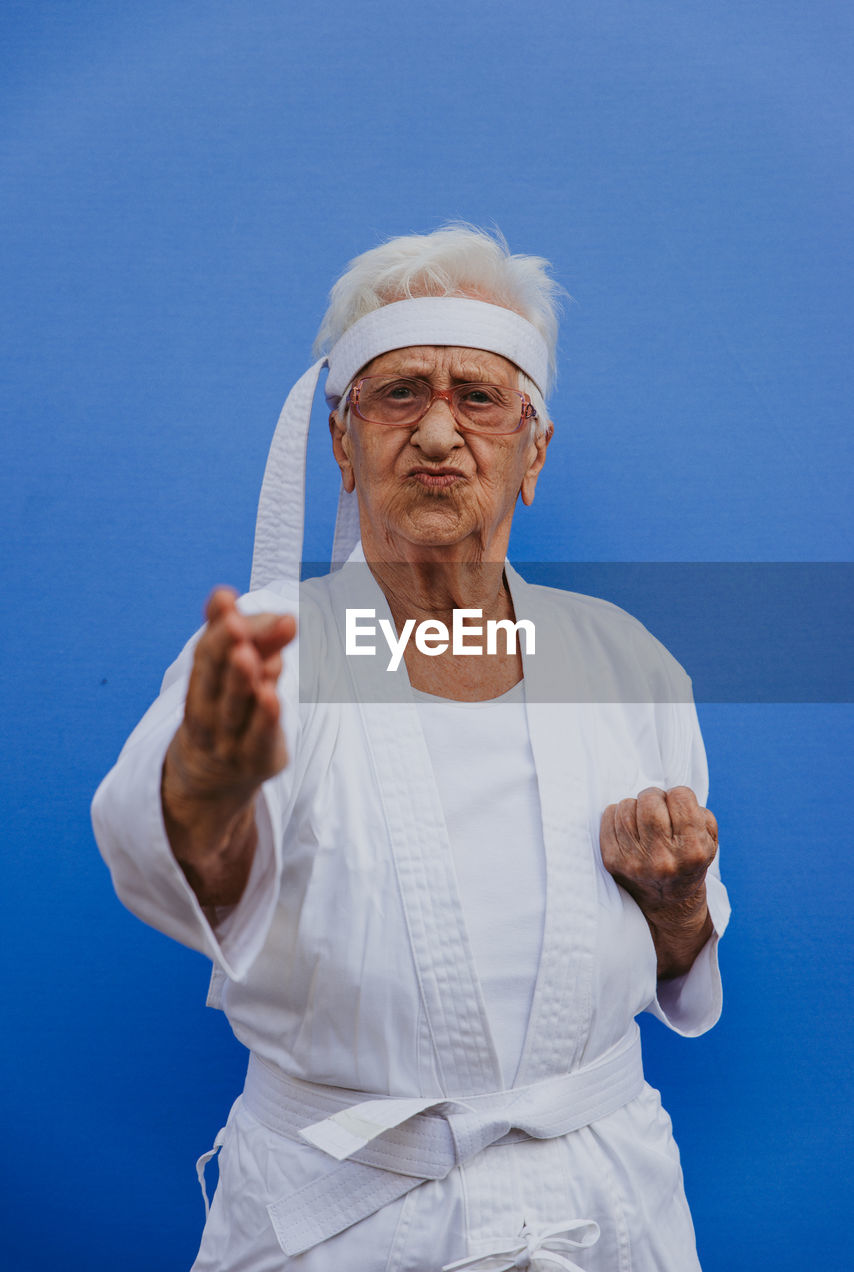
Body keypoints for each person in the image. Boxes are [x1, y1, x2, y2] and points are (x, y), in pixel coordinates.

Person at [92, 223, 730, 1272]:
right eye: (398, 395)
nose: (438, 433)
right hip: (345, 1219)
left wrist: (671, 903)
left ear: (532, 448)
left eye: (476, 397)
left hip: (602, 1205)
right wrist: (207, 784)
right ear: (342, 444)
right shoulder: (269, 655)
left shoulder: (625, 664)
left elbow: (682, 956)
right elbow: (184, 870)